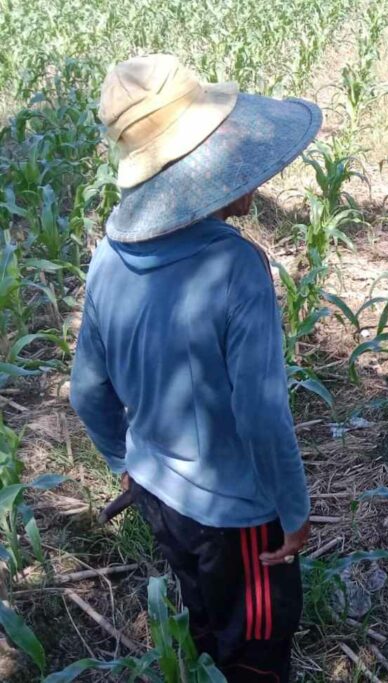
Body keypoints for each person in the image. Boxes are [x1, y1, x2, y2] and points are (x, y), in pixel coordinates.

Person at [70, 54, 321, 682]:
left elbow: (87, 391)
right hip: (238, 516)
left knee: (203, 616)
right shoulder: (235, 268)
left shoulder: (108, 255)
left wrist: (127, 462)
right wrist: (291, 511)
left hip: (156, 494)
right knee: (258, 650)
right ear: (196, 170)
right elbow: (261, 413)